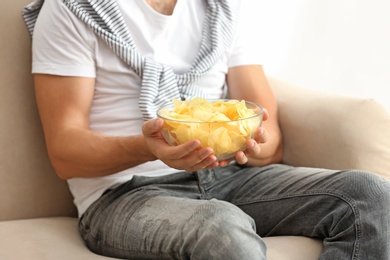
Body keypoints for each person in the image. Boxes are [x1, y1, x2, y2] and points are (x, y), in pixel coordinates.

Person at [23, 0, 390, 259]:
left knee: (372, 195)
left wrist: (252, 143)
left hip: (226, 176)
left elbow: (270, 139)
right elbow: (65, 153)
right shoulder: (73, 8)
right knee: (221, 226)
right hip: (123, 195)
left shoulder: (223, 9)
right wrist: (149, 147)